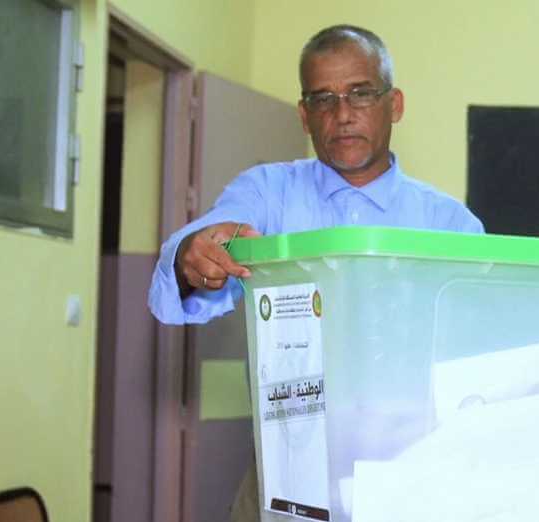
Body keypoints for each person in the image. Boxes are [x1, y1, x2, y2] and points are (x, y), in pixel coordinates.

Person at [149, 24, 483, 326]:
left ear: (394, 105)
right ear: (305, 116)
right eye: (323, 99)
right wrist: (188, 258)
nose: (342, 115)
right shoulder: (268, 193)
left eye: (361, 94)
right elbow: (208, 238)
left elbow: (479, 335)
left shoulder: (449, 224)